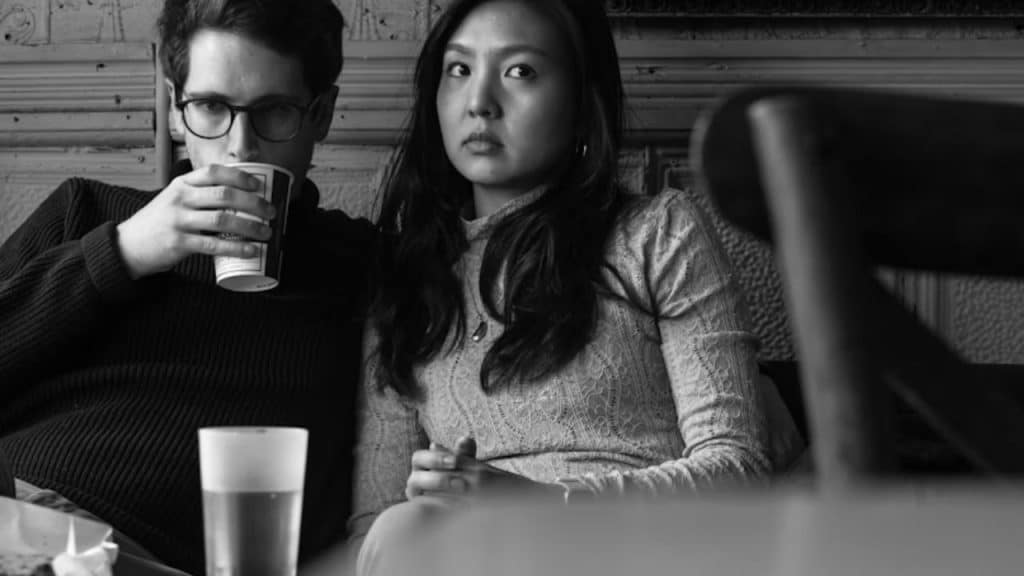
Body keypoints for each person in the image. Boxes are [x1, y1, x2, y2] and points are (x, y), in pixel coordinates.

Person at [346, 0, 802, 572]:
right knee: (401, 528)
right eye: (458, 69)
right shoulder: (406, 277)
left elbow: (736, 467)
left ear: (581, 104)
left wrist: (542, 506)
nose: (479, 102)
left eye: (520, 72)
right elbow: (374, 523)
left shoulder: (657, 231)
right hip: (468, 559)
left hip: (651, 552)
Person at [0, 0, 372, 573]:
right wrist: (122, 253)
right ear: (176, 110)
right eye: (211, 107)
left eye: (274, 111)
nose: (240, 146)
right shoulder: (88, 213)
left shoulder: (366, 269)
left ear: (321, 114)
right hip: (17, 513)